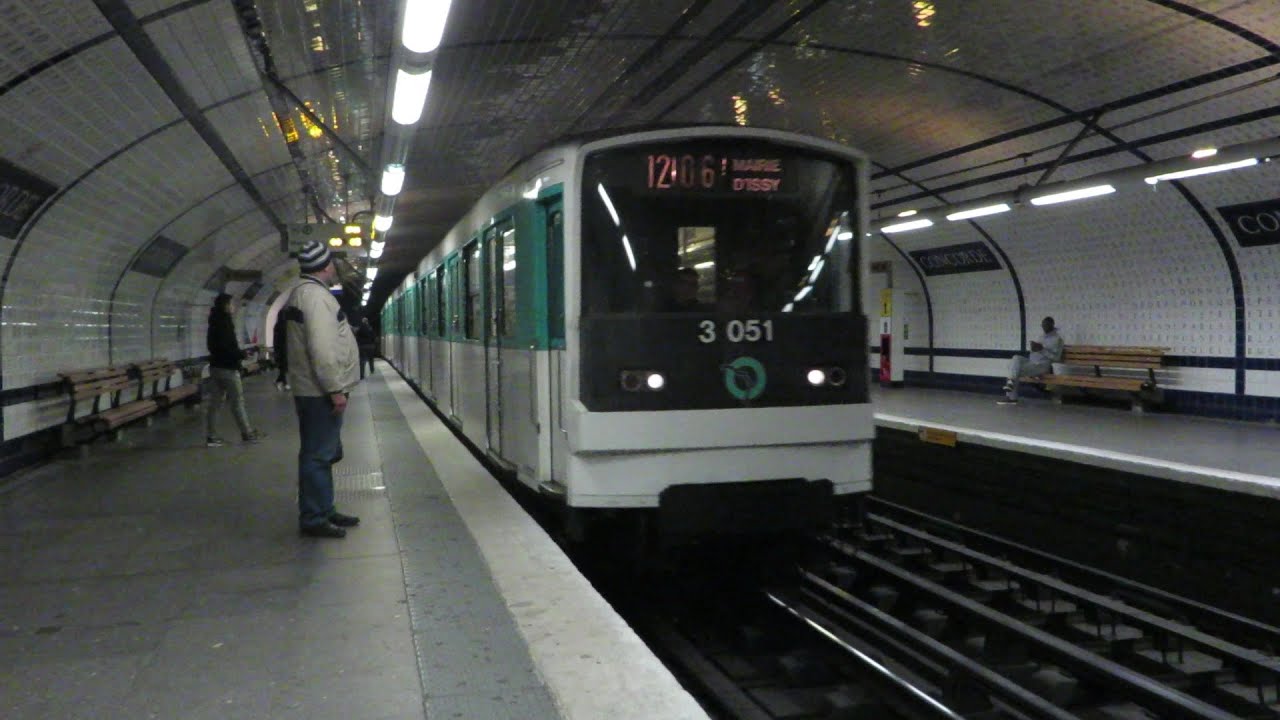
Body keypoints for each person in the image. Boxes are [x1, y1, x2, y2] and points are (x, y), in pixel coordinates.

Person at [285, 240, 362, 538]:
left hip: (312, 389)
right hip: (318, 392)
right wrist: (335, 389)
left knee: (322, 454)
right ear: (325, 266)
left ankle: (324, 509)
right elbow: (322, 348)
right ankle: (315, 517)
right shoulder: (316, 297)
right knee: (318, 455)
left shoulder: (304, 293)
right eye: (331, 263)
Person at [205, 293, 264, 447]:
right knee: (237, 402)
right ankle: (247, 433)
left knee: (215, 404)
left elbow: (214, 347)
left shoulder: (213, 322)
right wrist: (242, 354)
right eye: (231, 304)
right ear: (225, 306)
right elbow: (227, 348)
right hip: (228, 369)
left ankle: (211, 436)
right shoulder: (225, 323)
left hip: (215, 367)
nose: (233, 306)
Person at [999, 316, 1064, 405]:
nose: (1044, 327)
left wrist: (1041, 350)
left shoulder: (1057, 339)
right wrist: (1033, 348)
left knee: (1014, 369)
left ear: (1052, 325)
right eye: (1042, 325)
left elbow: (1057, 358)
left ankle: (1011, 396)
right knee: (1016, 358)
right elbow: (1037, 350)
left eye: (1046, 325)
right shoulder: (1041, 336)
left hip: (1041, 366)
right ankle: (1011, 385)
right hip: (1031, 362)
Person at [272, 308, 289, 392]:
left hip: (279, 349)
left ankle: (281, 381)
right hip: (284, 348)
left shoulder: (277, 325)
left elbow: (275, 339)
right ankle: (282, 382)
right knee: (284, 367)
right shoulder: (286, 325)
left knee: (283, 367)